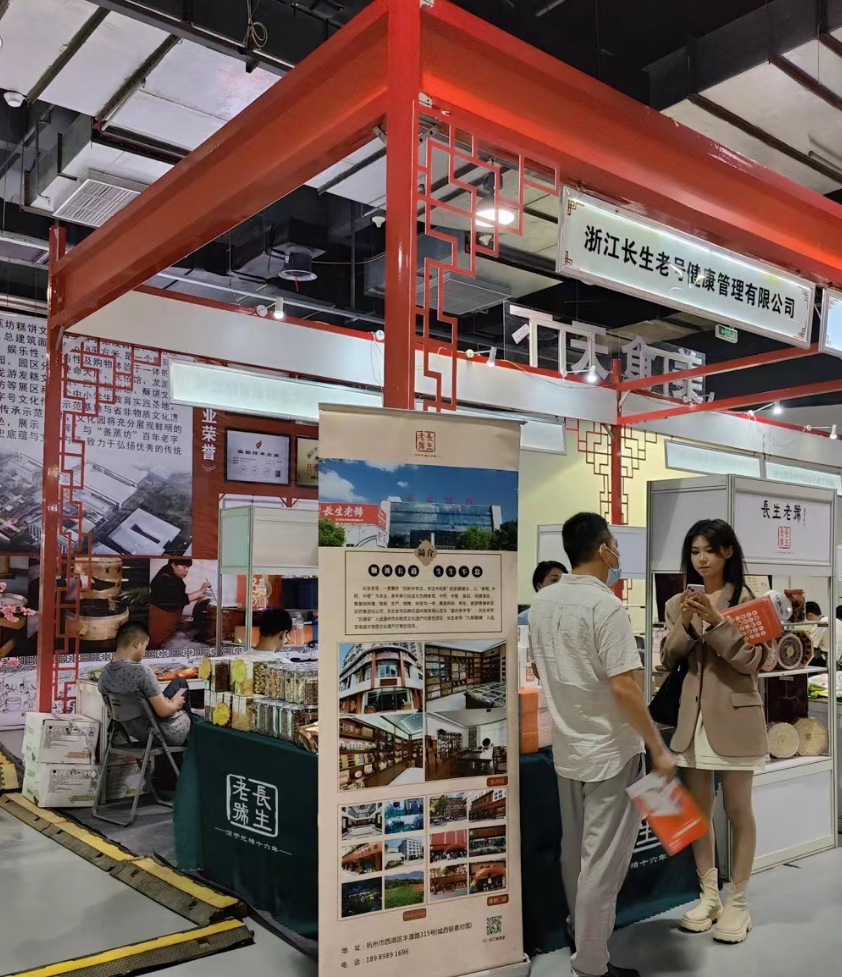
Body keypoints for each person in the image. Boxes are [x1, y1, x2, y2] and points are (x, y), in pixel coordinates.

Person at [530, 512, 674, 977]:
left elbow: (541, 668)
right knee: (602, 864)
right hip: (611, 750)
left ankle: (580, 934)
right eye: (615, 543)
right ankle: (591, 963)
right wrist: (657, 747)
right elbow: (626, 687)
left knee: (576, 853)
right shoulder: (606, 607)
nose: (618, 552)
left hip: (568, 747)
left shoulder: (543, 602)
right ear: (603, 549)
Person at [662, 519, 770, 945]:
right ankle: (709, 897)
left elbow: (755, 662)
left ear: (727, 552)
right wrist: (689, 623)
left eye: (709, 550)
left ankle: (738, 902)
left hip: (737, 718)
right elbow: (668, 658)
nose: (701, 559)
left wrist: (718, 621)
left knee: (738, 810)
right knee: (698, 812)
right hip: (693, 721)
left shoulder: (749, 601)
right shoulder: (677, 604)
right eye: (694, 552)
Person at [98, 622, 192, 747]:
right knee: (196, 720)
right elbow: (164, 712)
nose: (144, 652)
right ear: (137, 643)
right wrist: (175, 703)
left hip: (139, 733)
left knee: (179, 683)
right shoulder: (141, 671)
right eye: (145, 646)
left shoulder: (104, 675)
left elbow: (113, 714)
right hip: (164, 733)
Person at [148, 558, 210, 648]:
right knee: (155, 644)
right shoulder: (164, 578)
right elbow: (178, 599)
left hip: (168, 621)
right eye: (184, 567)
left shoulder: (172, 576)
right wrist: (200, 591)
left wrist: (197, 596)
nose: (187, 570)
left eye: (188, 567)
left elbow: (176, 598)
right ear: (174, 565)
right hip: (159, 620)